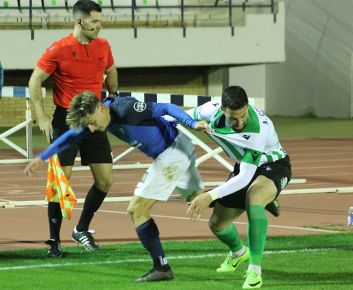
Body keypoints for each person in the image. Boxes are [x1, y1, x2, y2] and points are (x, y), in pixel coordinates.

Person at [25, 91, 208, 282]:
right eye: (88, 125)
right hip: (177, 149)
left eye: (92, 122)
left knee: (137, 210)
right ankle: (234, 199)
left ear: (100, 108)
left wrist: (193, 123)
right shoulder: (96, 117)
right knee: (201, 201)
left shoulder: (126, 109)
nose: (92, 129)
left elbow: (167, 108)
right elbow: (71, 135)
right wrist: (42, 157)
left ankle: (161, 267)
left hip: (172, 153)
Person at [28, 0, 118, 257]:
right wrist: (42, 118)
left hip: (95, 121)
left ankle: (81, 229)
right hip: (66, 120)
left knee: (105, 181)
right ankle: (54, 242)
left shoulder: (103, 46)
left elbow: (111, 71)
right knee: (60, 184)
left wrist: (112, 98)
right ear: (80, 21)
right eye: (94, 22)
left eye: (100, 22)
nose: (99, 27)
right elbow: (35, 80)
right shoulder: (59, 48)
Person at [186, 86, 291, 289]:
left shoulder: (257, 129)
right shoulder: (212, 109)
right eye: (234, 118)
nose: (240, 122)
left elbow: (245, 178)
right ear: (223, 109)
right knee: (217, 225)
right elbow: (185, 115)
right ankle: (239, 253)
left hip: (273, 166)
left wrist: (209, 196)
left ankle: (254, 272)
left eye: (243, 116)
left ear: (247, 107)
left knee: (254, 197)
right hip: (243, 165)